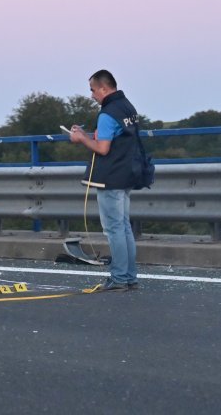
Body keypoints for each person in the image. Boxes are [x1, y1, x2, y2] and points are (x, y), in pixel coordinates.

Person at [69, 69, 140, 292]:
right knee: (124, 227)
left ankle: (119, 278)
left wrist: (81, 138)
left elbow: (102, 148)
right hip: (128, 172)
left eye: (92, 90)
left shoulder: (107, 112)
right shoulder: (128, 107)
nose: (91, 95)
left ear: (103, 88)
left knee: (114, 228)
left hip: (110, 177)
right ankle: (129, 276)